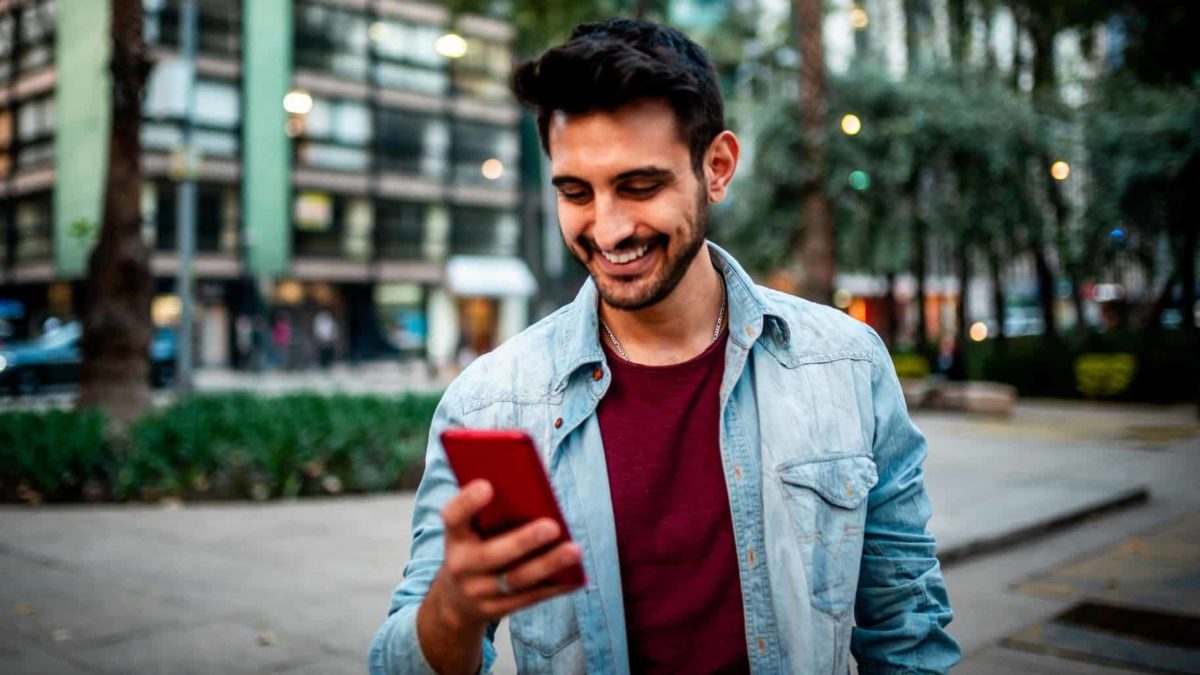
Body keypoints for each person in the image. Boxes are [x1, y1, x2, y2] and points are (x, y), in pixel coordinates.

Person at [371, 18, 959, 675]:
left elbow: (908, 633)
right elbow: (398, 660)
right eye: (575, 192)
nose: (609, 228)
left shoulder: (847, 364)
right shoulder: (490, 403)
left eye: (639, 186)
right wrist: (454, 605)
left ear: (717, 167)